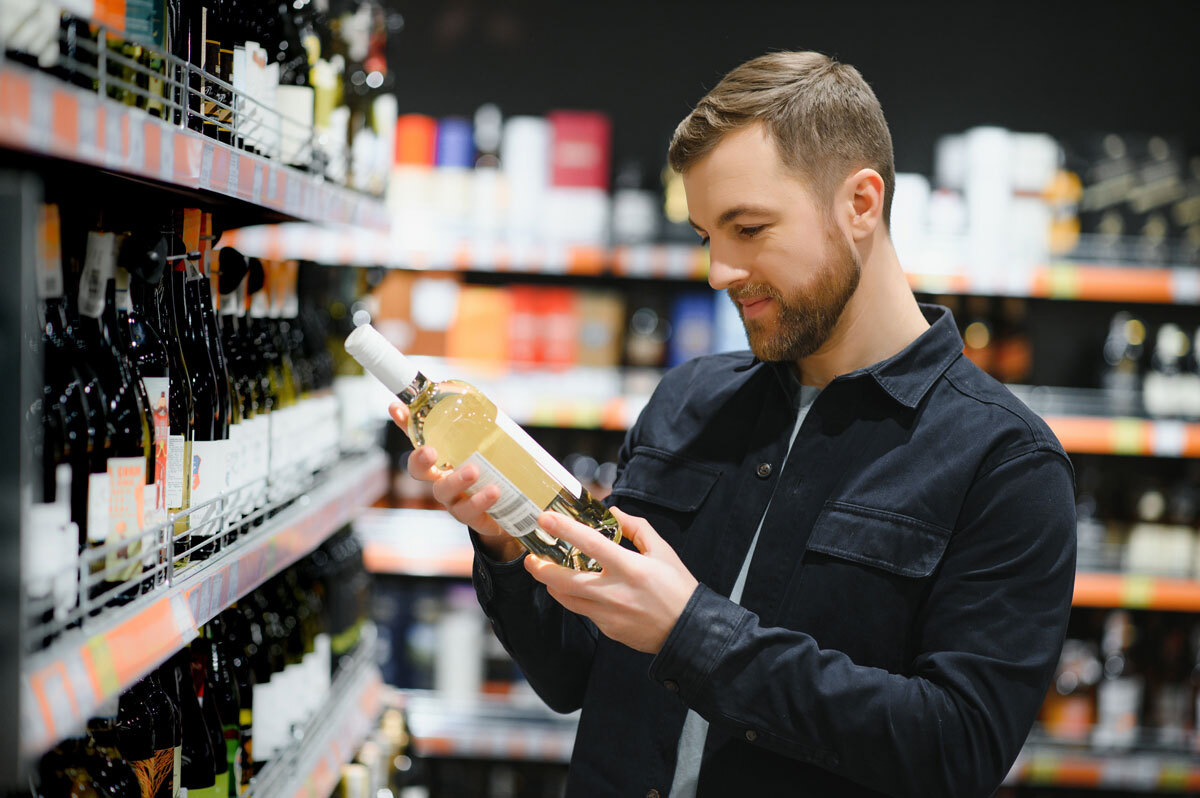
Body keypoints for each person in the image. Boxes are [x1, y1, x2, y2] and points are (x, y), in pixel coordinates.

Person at [389, 51, 1076, 797]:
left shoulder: (1007, 463)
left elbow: (956, 749)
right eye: (707, 236)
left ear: (861, 203)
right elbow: (575, 672)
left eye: (748, 228)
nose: (719, 271)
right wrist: (502, 535)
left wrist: (691, 632)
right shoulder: (687, 401)